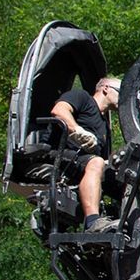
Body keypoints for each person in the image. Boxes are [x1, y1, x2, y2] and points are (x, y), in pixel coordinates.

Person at [50, 76, 120, 232]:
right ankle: (92, 222)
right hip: (64, 155)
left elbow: (104, 159)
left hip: (87, 162)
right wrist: (77, 131)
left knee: (125, 179)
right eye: (120, 92)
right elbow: (59, 110)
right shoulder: (82, 97)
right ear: (106, 88)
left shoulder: (104, 126)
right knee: (96, 163)